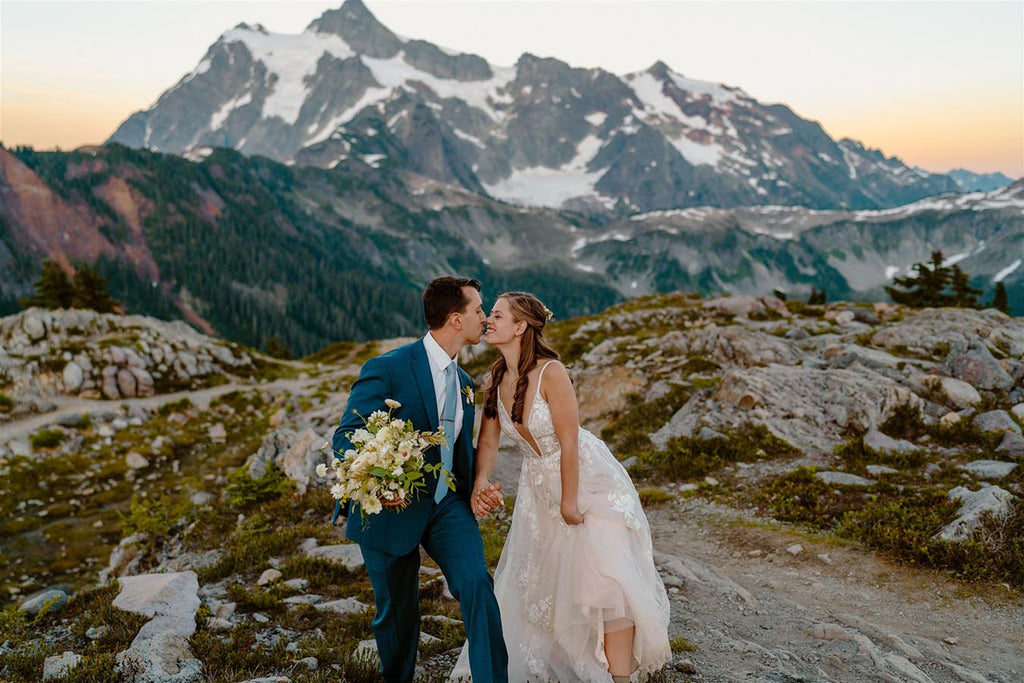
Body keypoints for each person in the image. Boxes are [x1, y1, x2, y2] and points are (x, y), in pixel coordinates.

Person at [452, 292, 671, 682]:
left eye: (497, 315)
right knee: (548, 583)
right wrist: (481, 480)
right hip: (537, 488)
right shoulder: (495, 378)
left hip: (587, 481)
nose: (489, 321)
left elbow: (569, 441)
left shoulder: (551, 372)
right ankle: (570, 662)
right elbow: (487, 441)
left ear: (520, 327)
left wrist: (570, 501)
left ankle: (620, 677)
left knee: (605, 580)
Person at [332, 276, 508, 683]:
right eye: (478, 310)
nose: (485, 317)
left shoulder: (465, 384)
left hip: (446, 505)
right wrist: (384, 480)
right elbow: (345, 437)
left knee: (478, 585)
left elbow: (461, 452)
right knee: (398, 615)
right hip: (391, 507)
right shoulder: (387, 368)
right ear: (454, 319)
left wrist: (478, 485)